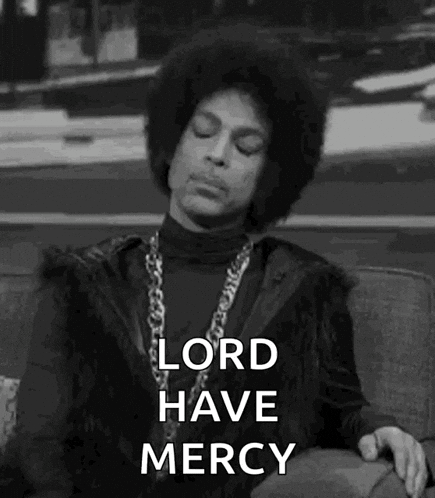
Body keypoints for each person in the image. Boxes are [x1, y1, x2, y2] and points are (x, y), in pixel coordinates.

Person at [3, 21, 432, 498]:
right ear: (172, 143)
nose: (217, 156)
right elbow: (40, 445)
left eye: (247, 146)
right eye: (203, 132)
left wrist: (379, 428)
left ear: (271, 173)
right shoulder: (86, 283)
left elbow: (342, 405)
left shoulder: (303, 291)